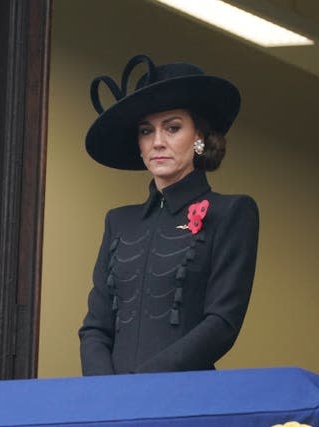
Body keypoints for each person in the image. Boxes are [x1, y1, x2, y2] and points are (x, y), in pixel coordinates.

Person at [79, 55, 259, 375]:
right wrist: (104, 392)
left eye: (173, 128)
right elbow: (95, 328)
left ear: (199, 137)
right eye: (146, 131)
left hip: (186, 397)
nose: (158, 142)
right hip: (112, 405)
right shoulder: (118, 221)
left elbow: (222, 322)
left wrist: (146, 385)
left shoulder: (232, 212)